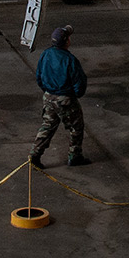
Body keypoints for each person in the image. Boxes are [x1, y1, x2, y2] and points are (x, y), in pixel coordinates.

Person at [30, 24, 90, 168]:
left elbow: (39, 76)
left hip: (49, 97)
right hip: (65, 99)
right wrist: (75, 95)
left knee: (47, 126)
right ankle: (74, 156)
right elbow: (79, 82)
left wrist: (47, 90)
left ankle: (34, 155)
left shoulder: (45, 54)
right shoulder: (70, 59)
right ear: (66, 41)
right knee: (76, 127)